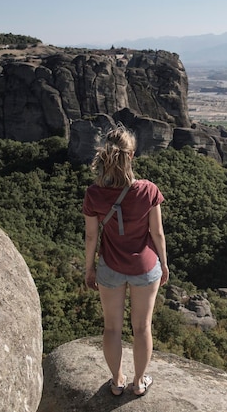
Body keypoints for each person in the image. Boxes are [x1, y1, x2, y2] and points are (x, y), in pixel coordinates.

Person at [82, 124, 169, 397]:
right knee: (142, 327)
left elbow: (91, 237)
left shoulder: (94, 194)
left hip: (110, 268)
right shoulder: (148, 191)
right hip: (145, 268)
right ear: (130, 156)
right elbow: (157, 233)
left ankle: (117, 381)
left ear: (105, 156)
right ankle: (139, 382)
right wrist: (164, 264)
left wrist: (89, 269)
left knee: (112, 327)